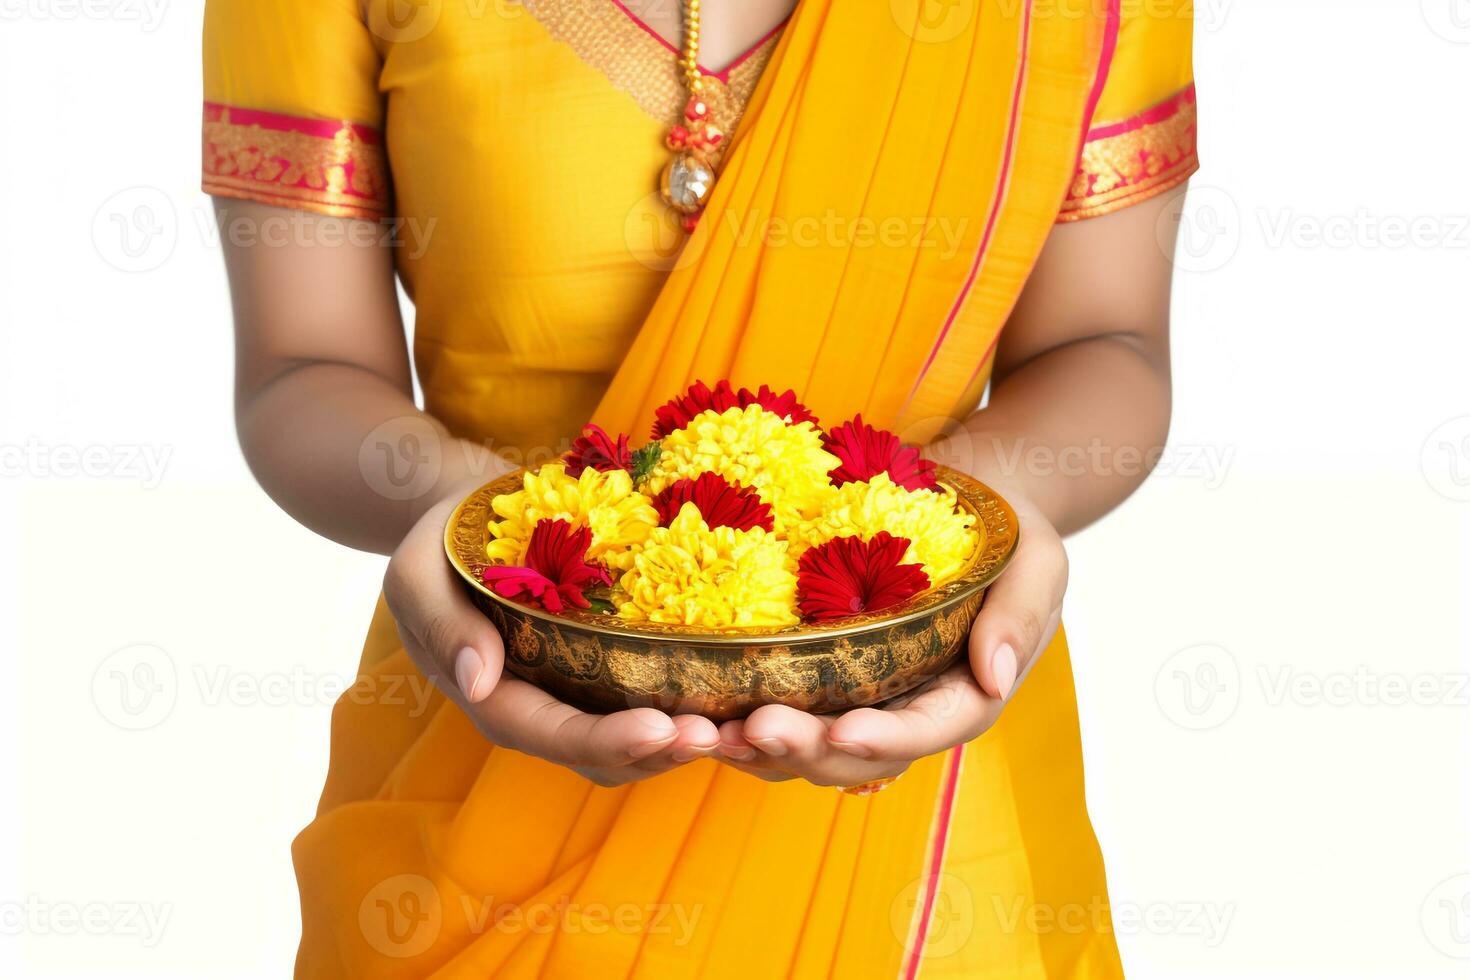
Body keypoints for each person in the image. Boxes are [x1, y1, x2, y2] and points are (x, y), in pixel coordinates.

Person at [205, 0, 1198, 974]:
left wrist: (931, 533)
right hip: (494, 743)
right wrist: (494, 529)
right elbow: (304, 364)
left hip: (927, 804)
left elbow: (1102, 340)